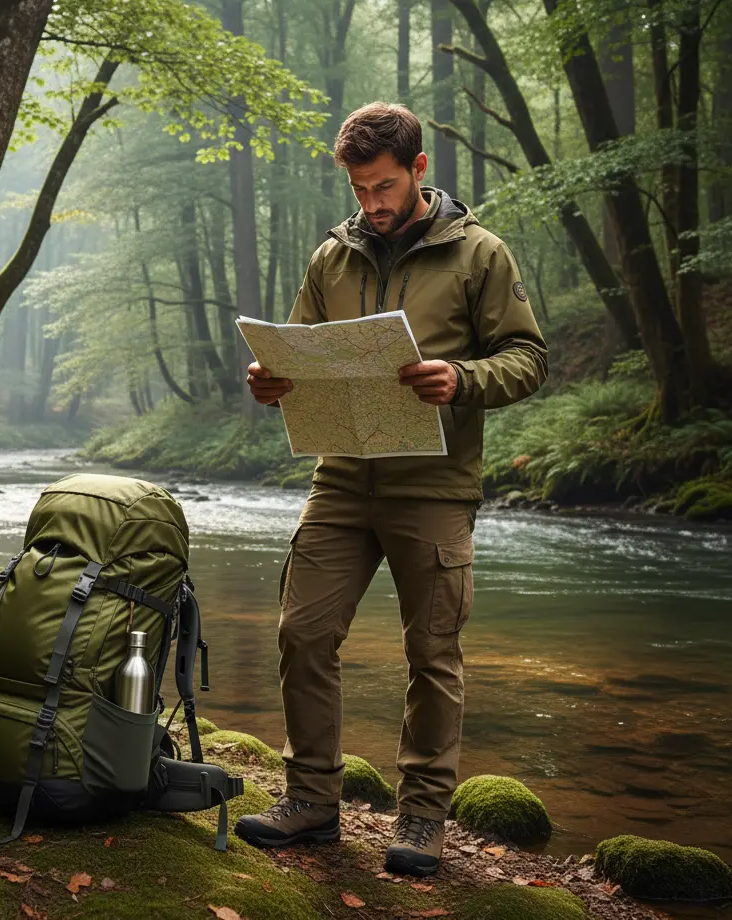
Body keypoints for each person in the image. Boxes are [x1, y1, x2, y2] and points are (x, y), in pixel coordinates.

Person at [233, 102, 548, 876]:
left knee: (431, 653)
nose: (370, 202)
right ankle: (311, 803)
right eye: (358, 187)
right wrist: (270, 381)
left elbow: (529, 359)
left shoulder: (479, 255)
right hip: (339, 478)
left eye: (382, 186)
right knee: (303, 632)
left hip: (434, 487)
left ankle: (421, 819)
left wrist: (462, 377)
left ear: (418, 170)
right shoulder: (330, 259)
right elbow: (299, 351)